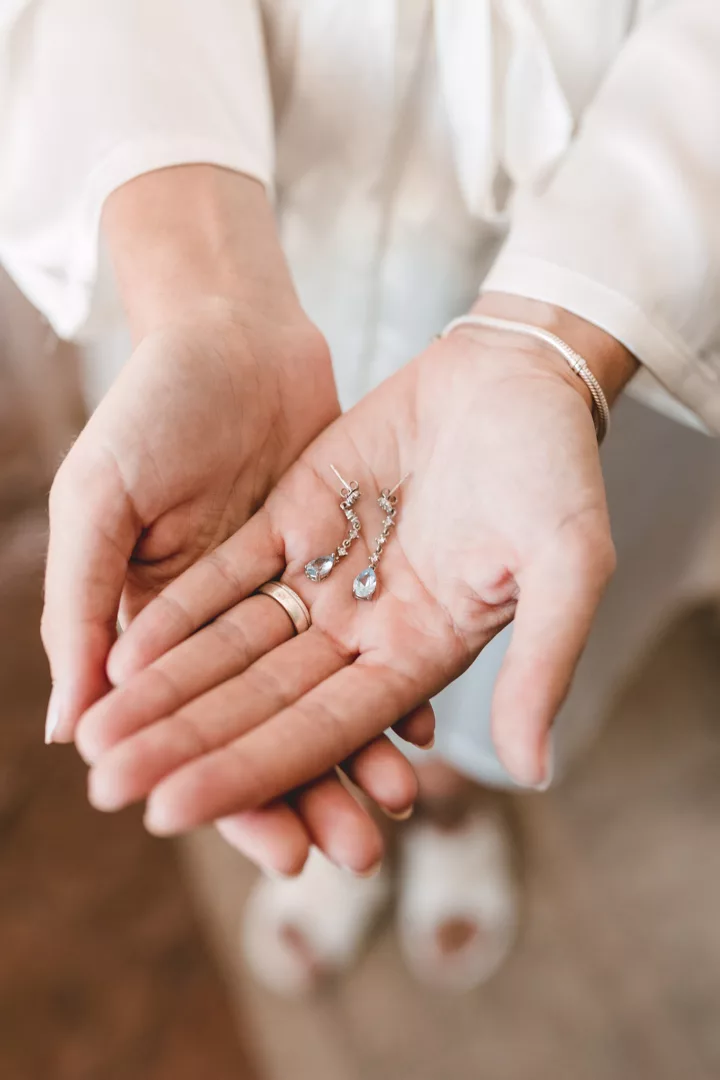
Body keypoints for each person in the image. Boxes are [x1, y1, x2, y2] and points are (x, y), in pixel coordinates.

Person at [2, 0, 720, 992]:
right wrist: (204, 289)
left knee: (506, 584)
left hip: (616, 223)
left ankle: (455, 793)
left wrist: (557, 338)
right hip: (250, 185)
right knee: (310, 607)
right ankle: (378, 789)